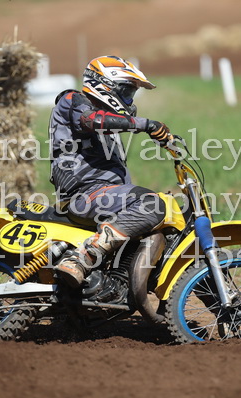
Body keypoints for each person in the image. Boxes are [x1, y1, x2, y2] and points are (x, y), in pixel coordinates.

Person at [49, 55, 173, 288]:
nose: (129, 99)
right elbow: (91, 120)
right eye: (126, 91)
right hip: (85, 195)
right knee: (152, 204)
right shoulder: (73, 100)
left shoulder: (109, 126)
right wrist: (146, 125)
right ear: (105, 85)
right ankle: (83, 257)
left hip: (103, 195)